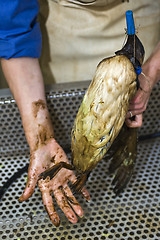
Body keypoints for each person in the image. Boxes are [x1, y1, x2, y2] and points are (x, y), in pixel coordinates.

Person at [0, 0, 159, 226]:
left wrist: (149, 74)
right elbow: (12, 30)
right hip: (63, 32)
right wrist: (40, 137)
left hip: (145, 27)